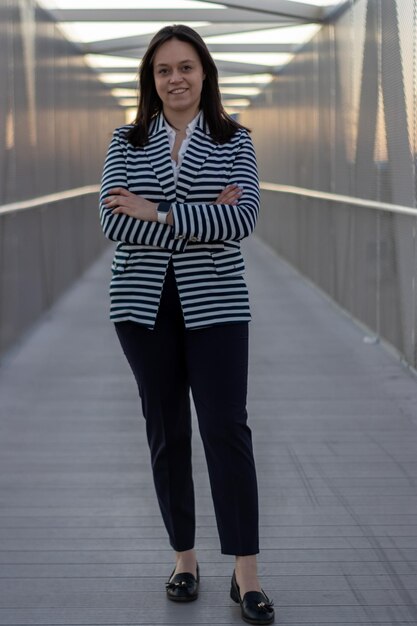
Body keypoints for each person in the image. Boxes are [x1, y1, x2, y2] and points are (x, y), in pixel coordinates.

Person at [99, 24, 274, 625]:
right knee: (167, 430)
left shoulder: (235, 140)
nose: (176, 79)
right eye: (164, 70)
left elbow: (243, 218)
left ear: (206, 74)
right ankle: (185, 560)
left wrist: (156, 209)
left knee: (227, 428)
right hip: (143, 308)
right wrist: (200, 215)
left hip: (218, 305)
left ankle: (245, 574)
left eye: (186, 67)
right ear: (151, 80)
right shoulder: (126, 140)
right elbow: (113, 222)